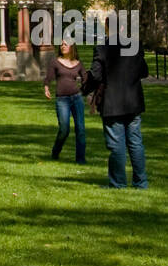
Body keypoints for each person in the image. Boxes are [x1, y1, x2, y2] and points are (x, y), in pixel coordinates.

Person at [83, 37, 149, 189]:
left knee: (116, 144)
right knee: (135, 142)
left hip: (113, 102)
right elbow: (144, 71)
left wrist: (86, 87)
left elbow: (96, 74)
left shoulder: (103, 47)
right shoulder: (135, 45)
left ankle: (118, 182)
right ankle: (140, 182)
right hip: (133, 102)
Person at [44, 38, 88, 163]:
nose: (63, 46)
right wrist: (46, 88)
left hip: (76, 98)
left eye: (66, 44)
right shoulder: (55, 62)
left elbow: (85, 79)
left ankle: (80, 159)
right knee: (64, 129)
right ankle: (56, 151)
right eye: (61, 44)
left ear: (72, 47)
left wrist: (88, 93)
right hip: (62, 100)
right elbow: (49, 77)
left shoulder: (78, 63)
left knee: (80, 129)